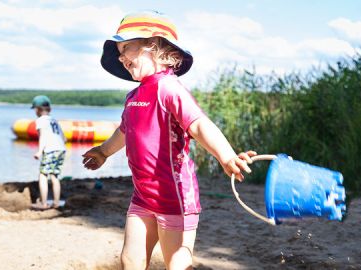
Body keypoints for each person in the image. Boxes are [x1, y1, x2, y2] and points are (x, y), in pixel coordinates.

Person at [82, 10, 256, 270]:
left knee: (176, 262)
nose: (121, 57)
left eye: (127, 47)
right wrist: (104, 151)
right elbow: (125, 132)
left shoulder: (169, 88)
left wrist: (227, 156)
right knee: (130, 259)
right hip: (143, 194)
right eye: (119, 51)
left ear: (157, 48)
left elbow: (199, 124)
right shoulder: (134, 97)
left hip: (174, 196)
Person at [31, 95, 66, 210]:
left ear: (37, 109)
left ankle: (44, 203)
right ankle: (56, 202)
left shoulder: (40, 121)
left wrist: (39, 152)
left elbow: (43, 137)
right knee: (55, 176)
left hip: (50, 150)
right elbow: (64, 138)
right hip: (61, 149)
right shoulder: (54, 120)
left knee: (43, 175)